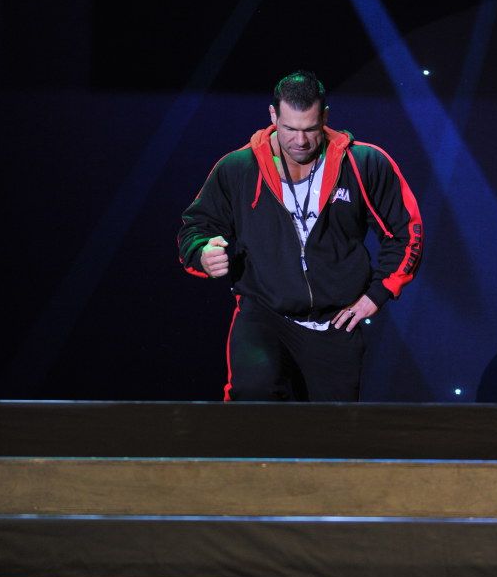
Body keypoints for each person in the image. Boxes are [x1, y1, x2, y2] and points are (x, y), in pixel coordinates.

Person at [177, 69, 422, 402]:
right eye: (290, 128)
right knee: (251, 401)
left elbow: (408, 232)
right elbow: (195, 228)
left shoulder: (364, 163)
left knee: (330, 427)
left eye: (310, 129)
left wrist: (377, 295)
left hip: (336, 323)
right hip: (264, 313)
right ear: (273, 115)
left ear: (325, 117)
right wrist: (202, 253)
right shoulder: (238, 168)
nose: (301, 141)